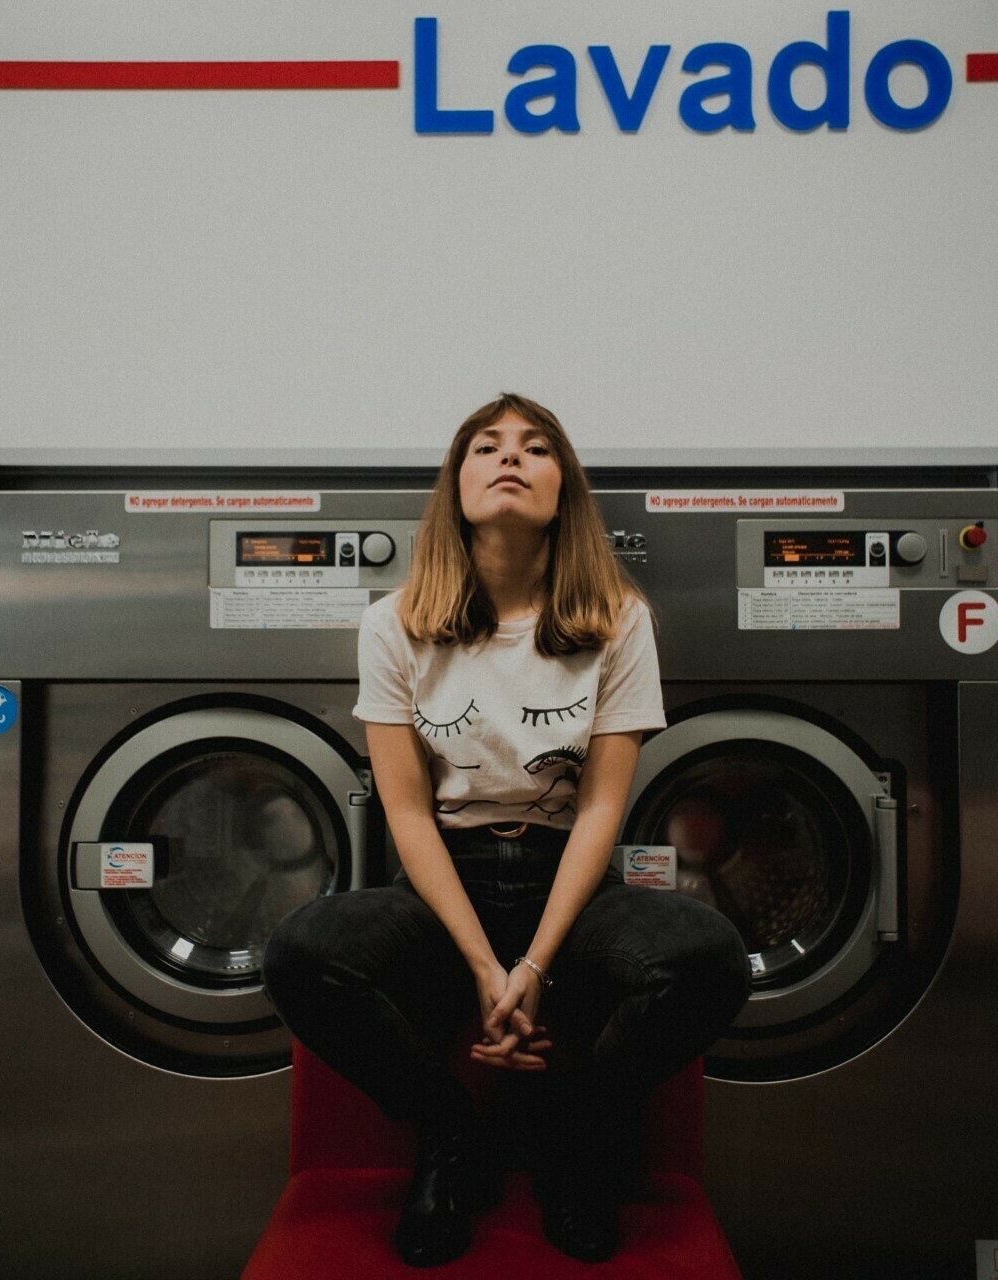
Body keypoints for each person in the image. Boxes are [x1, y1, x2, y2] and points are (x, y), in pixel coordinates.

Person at [262, 393, 750, 1267]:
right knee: (302, 951)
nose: (510, 458)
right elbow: (407, 812)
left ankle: (578, 1140)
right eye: (486, 447)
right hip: (445, 877)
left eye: (534, 447)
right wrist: (486, 966)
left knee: (707, 955)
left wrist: (533, 964)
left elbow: (602, 806)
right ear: (456, 486)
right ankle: (450, 1136)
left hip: (571, 876)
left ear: (564, 490)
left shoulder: (615, 621)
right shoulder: (395, 623)